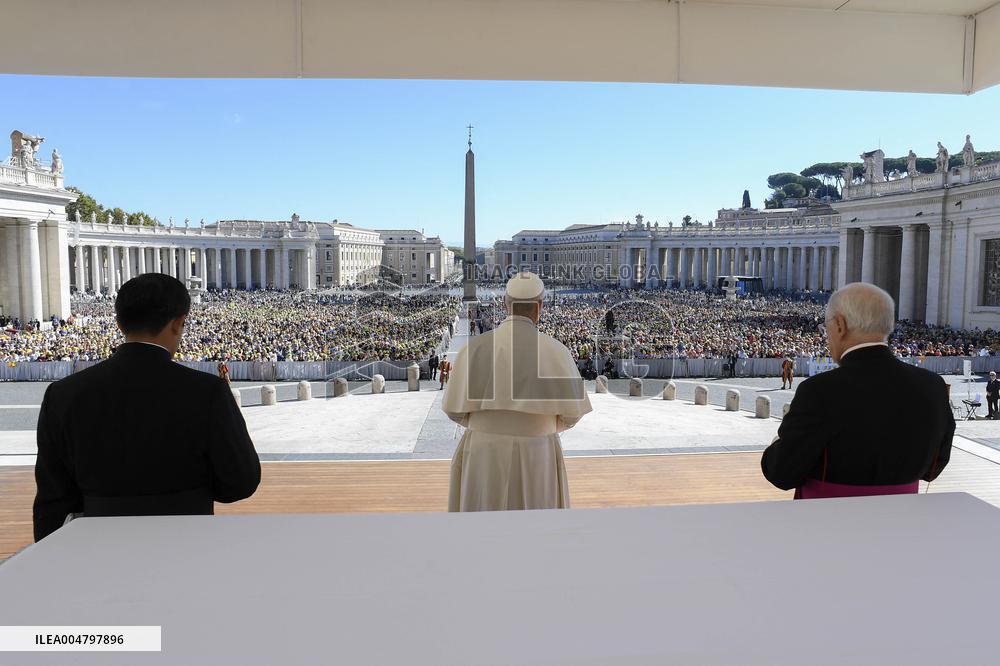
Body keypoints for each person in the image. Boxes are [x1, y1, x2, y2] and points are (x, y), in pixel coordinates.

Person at [33, 274, 261, 542]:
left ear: (119, 324)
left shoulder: (62, 393)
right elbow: (241, 482)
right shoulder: (208, 391)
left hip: (96, 547)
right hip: (188, 540)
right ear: (179, 323)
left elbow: (53, 497)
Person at [761, 282, 954, 499]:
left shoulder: (818, 391)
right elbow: (934, 467)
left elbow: (782, 473)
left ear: (840, 325)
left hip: (828, 521)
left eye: (827, 328)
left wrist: (775, 447)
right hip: (903, 520)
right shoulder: (933, 385)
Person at [443, 271, 592, 511]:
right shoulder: (557, 351)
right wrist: (539, 424)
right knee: (536, 528)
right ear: (540, 306)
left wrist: (488, 422)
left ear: (505, 304)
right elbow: (572, 414)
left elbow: (454, 410)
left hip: (484, 450)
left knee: (482, 528)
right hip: (538, 452)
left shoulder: (474, 349)